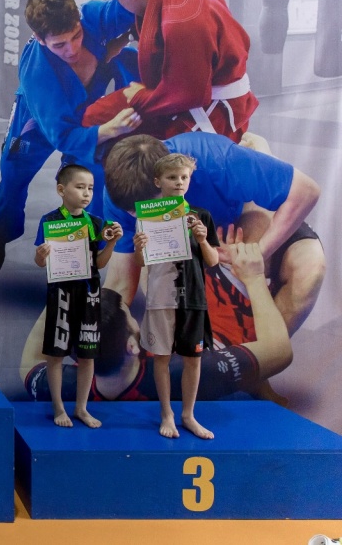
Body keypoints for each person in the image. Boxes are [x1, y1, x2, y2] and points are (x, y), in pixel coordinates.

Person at [0, 0, 142, 289]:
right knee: (11, 178)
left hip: (84, 116)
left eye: (76, 36)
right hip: (32, 127)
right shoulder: (38, 73)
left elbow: (134, 4)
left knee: (95, 175)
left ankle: (89, 255)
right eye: (60, 44)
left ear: (79, 19)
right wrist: (111, 129)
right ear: (39, 39)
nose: (72, 49)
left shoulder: (92, 17)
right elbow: (62, 136)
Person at [101, 132, 322, 340]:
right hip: (186, 244)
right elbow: (121, 282)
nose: (148, 216)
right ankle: (206, 353)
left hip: (239, 215)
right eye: (137, 214)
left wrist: (258, 254)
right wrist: (102, 326)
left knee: (309, 270)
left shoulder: (216, 159)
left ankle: (262, 356)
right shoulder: (119, 194)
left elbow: (307, 191)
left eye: (156, 208)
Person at [21, 236, 293, 404]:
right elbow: (279, 351)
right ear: (132, 346)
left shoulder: (62, 387)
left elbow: (30, 364)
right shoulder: (189, 374)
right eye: (130, 316)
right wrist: (254, 278)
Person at [90, 0, 258, 143]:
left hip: (211, 111)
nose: (119, 4)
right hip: (187, 90)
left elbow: (190, 94)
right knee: (95, 116)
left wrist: (140, 97)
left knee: (140, 152)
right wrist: (125, 38)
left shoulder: (181, 23)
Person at [132, 152, 220, 439]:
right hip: (161, 296)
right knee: (161, 358)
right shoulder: (147, 217)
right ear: (158, 181)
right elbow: (142, 262)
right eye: (172, 177)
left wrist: (202, 240)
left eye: (184, 177)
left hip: (193, 297)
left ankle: (188, 415)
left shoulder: (201, 216)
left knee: (193, 358)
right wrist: (139, 247)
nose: (179, 182)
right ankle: (166, 413)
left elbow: (213, 261)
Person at [32, 164, 123, 427]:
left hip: (89, 293)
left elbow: (100, 263)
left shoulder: (96, 223)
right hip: (60, 293)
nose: (86, 193)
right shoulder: (49, 221)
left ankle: (82, 408)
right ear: (61, 190)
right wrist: (40, 256)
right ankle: (59, 408)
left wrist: (112, 243)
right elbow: (41, 262)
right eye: (80, 187)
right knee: (56, 353)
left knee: (87, 354)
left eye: (91, 188)